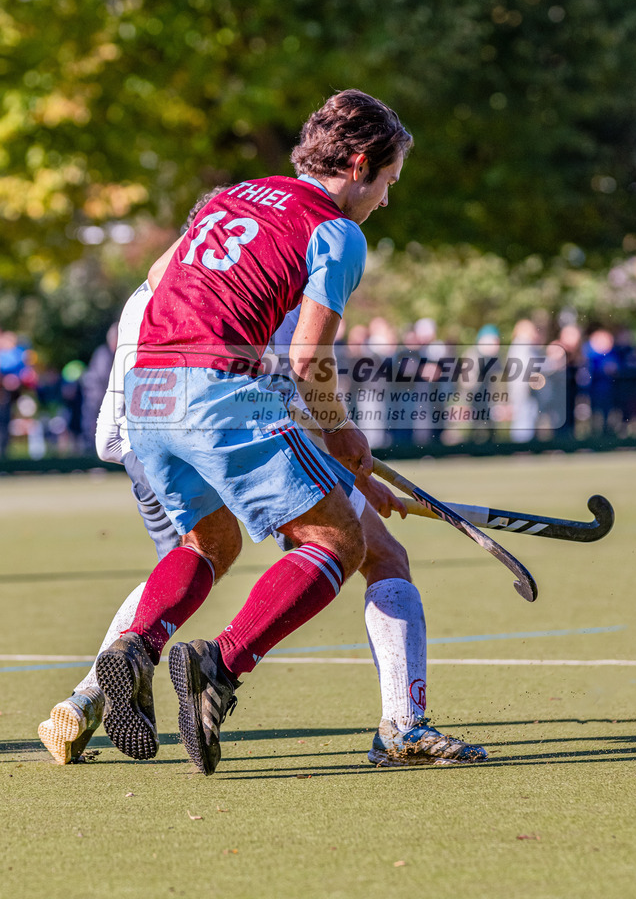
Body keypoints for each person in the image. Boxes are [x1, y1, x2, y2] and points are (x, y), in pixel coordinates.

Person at [87, 90, 486, 775]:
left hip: (148, 393)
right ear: (360, 163)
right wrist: (341, 438)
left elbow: (158, 277)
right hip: (218, 393)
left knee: (209, 540)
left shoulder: (232, 196)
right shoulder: (336, 232)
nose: (384, 200)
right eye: (387, 181)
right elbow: (307, 359)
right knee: (339, 540)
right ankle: (221, 664)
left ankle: (135, 647)